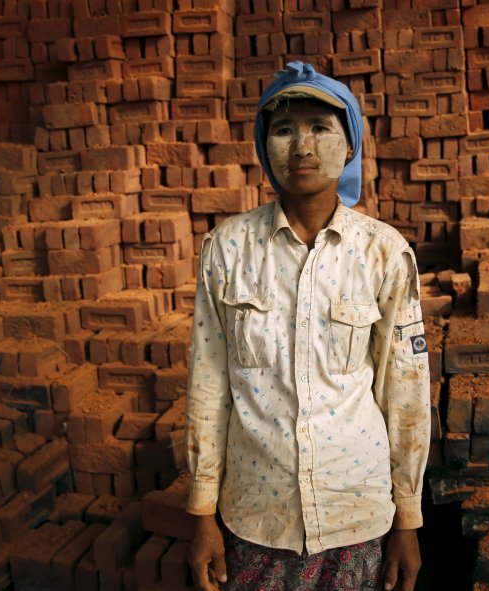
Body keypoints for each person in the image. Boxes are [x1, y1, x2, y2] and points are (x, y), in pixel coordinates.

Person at [185, 61, 431, 591]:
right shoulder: (226, 250)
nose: (302, 145)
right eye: (283, 129)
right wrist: (201, 510)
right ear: (264, 148)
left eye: (320, 127)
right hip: (255, 518)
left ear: (349, 147)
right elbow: (208, 385)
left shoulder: (384, 253)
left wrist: (408, 519)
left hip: (355, 517)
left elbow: (405, 393)